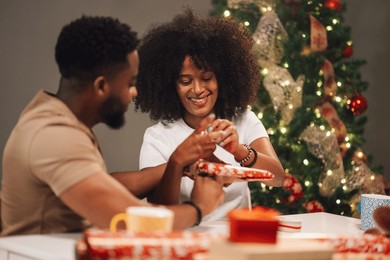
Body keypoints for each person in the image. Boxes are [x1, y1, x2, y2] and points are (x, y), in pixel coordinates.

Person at [0, 15, 226, 236]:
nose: (134, 92)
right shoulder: (54, 137)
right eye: (130, 83)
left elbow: (107, 186)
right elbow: (127, 221)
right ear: (101, 86)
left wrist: (180, 162)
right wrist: (199, 208)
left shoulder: (55, 119)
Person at [135, 9, 285, 222]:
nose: (197, 89)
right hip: (188, 238)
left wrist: (239, 151)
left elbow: (278, 178)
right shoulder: (157, 136)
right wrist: (180, 165)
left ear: (222, 78)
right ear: (171, 86)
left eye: (206, 78)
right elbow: (158, 208)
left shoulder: (243, 119)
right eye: (185, 81)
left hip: (238, 240)